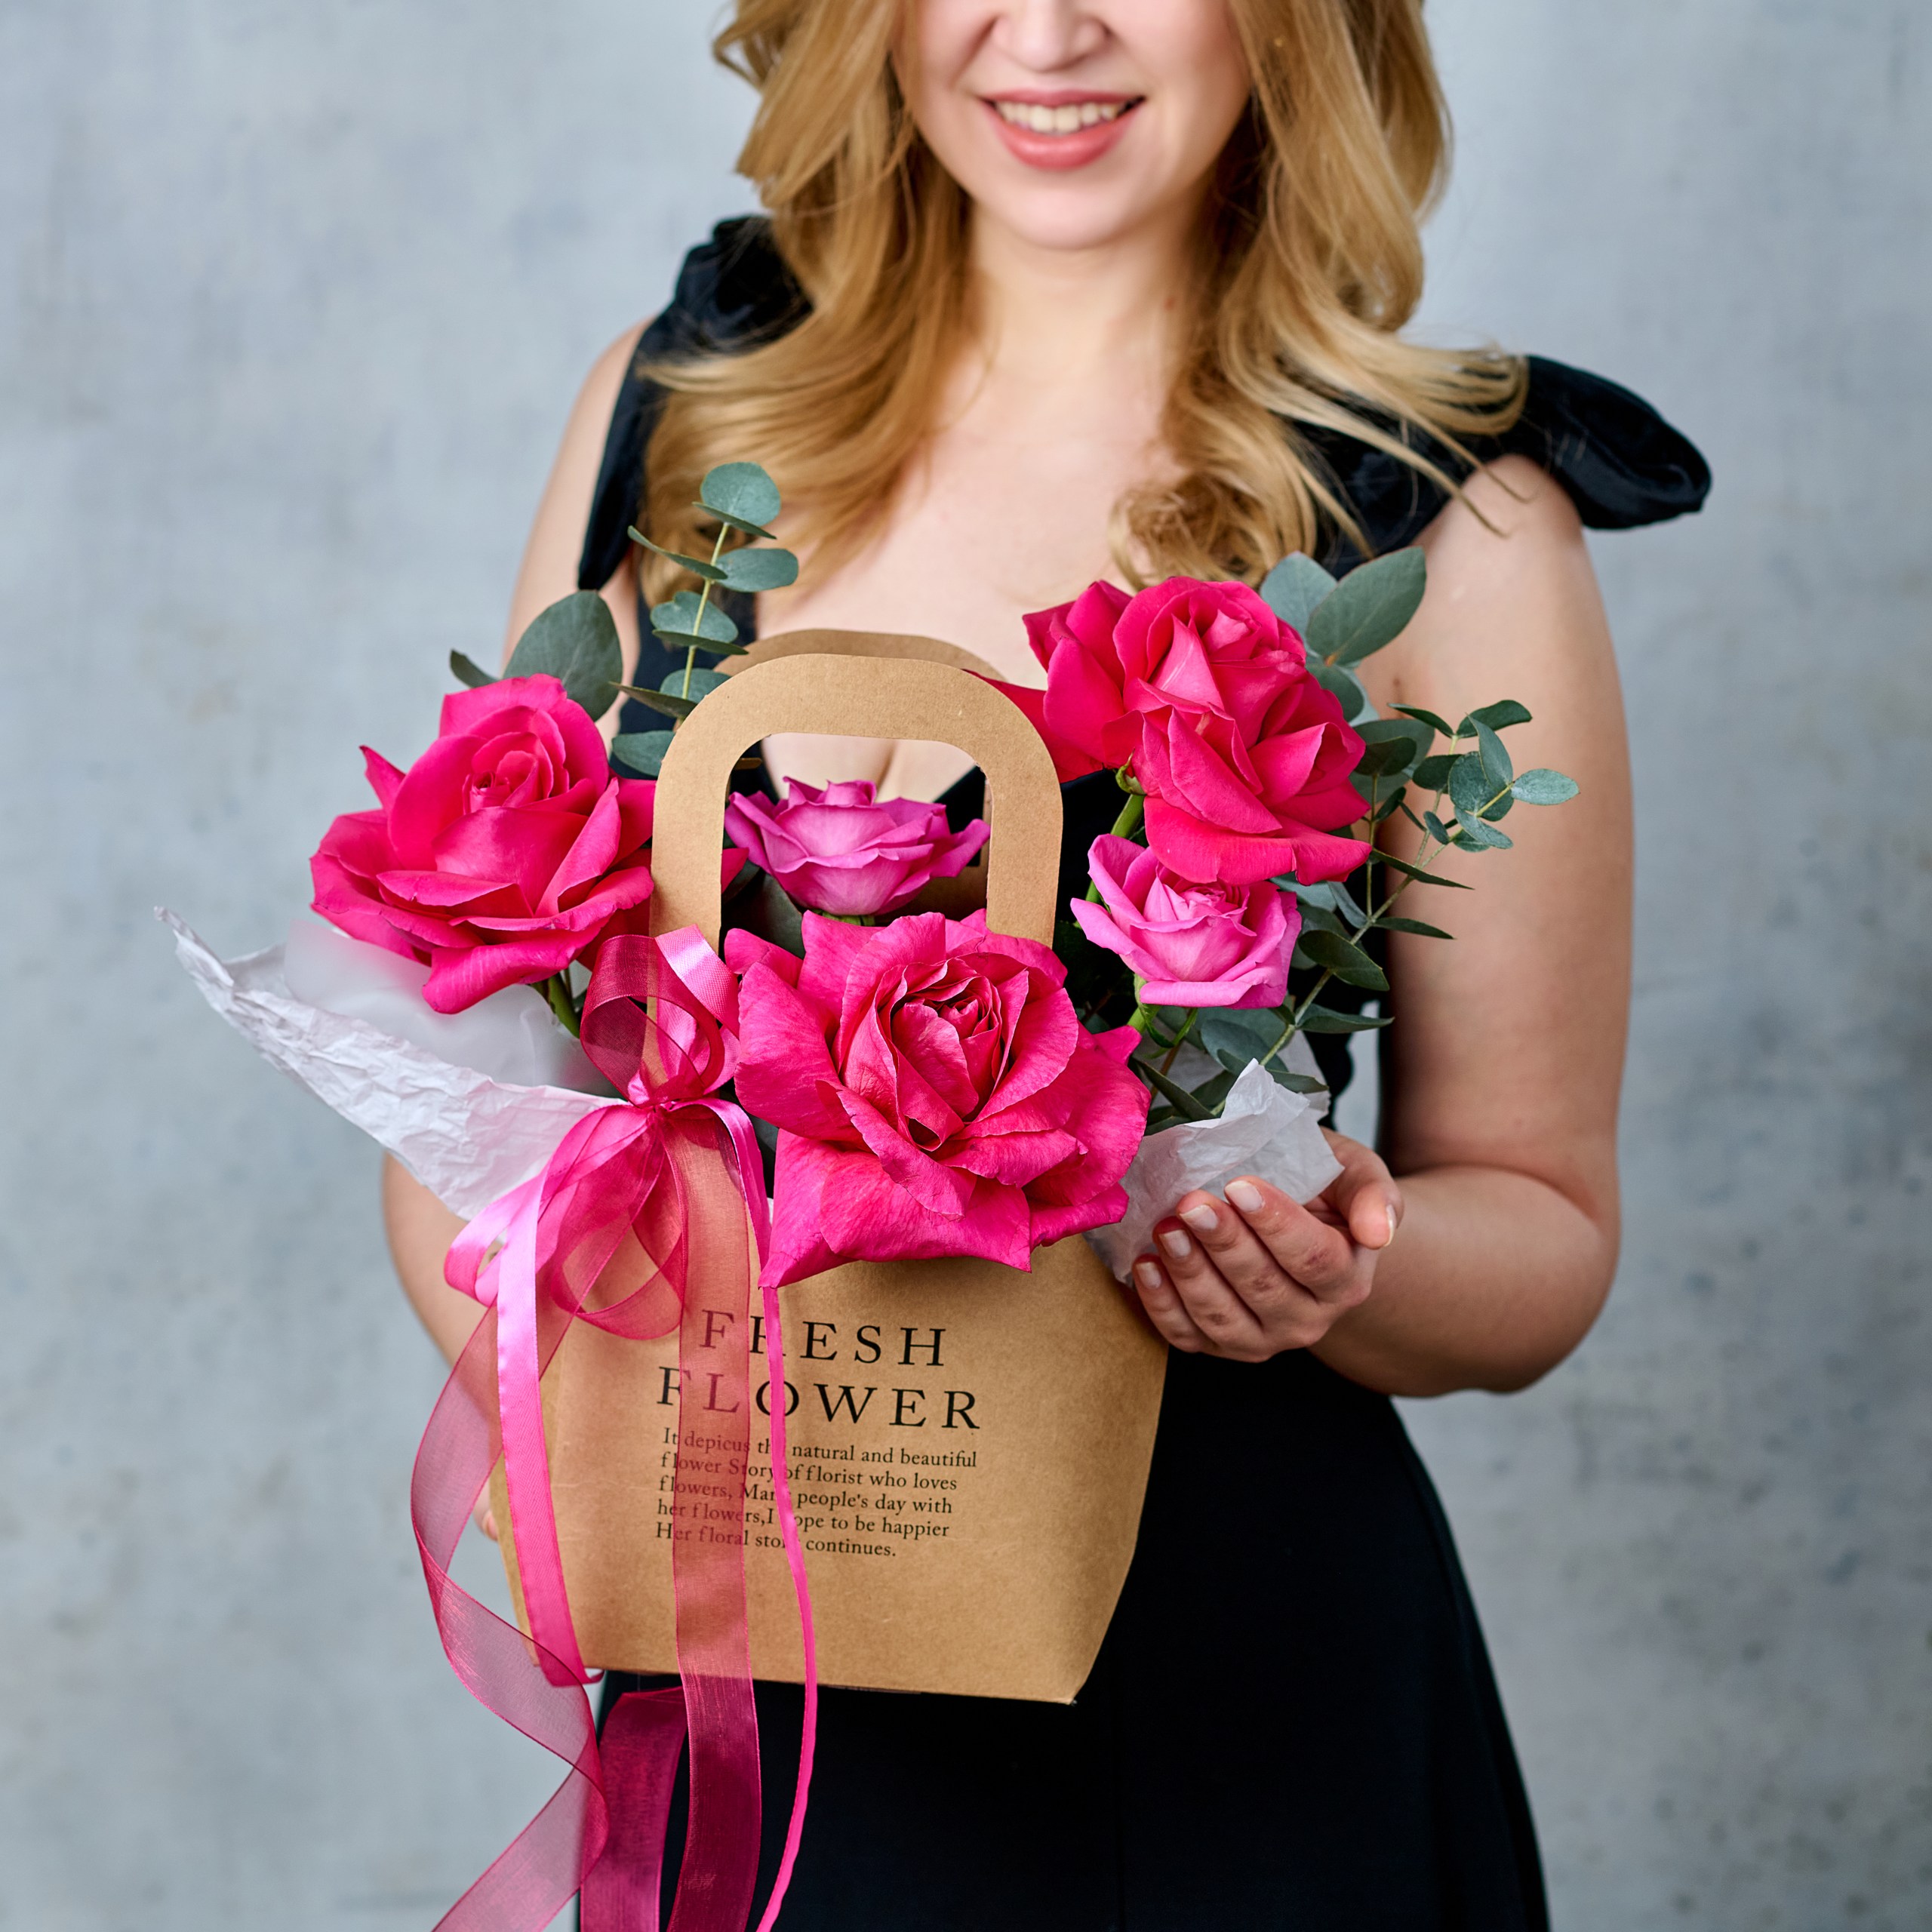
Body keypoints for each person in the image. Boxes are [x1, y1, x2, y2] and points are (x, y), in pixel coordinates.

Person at [386, 2, 1709, 1925]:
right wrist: (536, 1308)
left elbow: (1539, 1229)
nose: (1052, 29)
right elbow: (503, 1050)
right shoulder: (682, 419)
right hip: (755, 1686)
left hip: (1218, 1724)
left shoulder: (1452, 523)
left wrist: (1331, 1259)